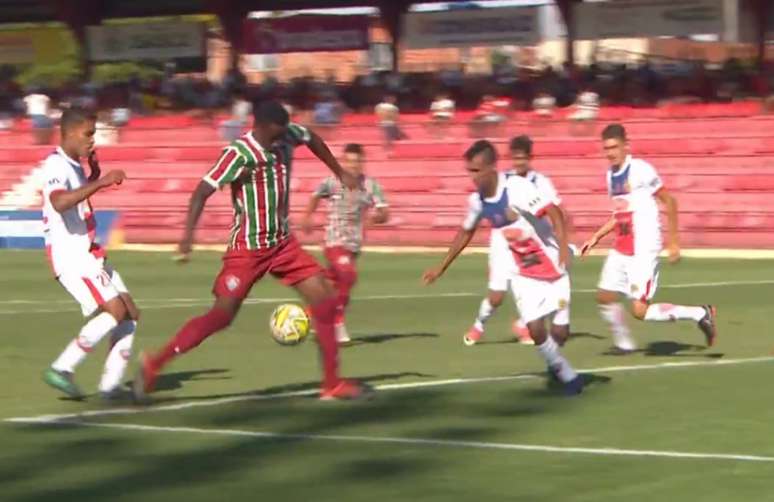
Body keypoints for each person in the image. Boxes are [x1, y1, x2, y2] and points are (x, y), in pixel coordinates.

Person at [133, 101, 372, 401]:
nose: (280, 140)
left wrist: (338, 171)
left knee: (324, 300)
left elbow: (310, 137)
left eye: (284, 134)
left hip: (282, 244)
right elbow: (201, 191)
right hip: (248, 249)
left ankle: (332, 384)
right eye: (275, 135)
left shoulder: (287, 135)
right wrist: (187, 237)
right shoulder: (239, 153)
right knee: (222, 315)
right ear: (259, 126)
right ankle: (154, 364)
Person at [423, 140, 582, 395]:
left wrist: (563, 247)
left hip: (553, 263)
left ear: (491, 167)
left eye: (476, 171)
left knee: (560, 333)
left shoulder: (518, 189)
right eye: (469, 171)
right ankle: (568, 377)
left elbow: (553, 212)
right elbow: (466, 232)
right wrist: (441, 267)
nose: (472, 177)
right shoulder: (477, 201)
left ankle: (556, 361)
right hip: (523, 271)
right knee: (535, 329)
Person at [581, 124, 717, 353]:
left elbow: (670, 201)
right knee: (604, 295)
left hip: (644, 246)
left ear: (626, 145)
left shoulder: (641, 170)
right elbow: (621, 214)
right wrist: (596, 236)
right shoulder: (610, 176)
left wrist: (674, 241)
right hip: (623, 245)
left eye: (614, 147)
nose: (610, 153)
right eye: (606, 148)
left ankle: (701, 313)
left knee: (640, 311)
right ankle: (624, 343)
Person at [40, 107, 137, 400]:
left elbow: (77, 197)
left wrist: (92, 175)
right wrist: (102, 181)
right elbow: (59, 203)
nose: (93, 140)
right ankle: (62, 367)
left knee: (130, 313)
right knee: (116, 311)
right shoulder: (56, 165)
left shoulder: (74, 165)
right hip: (71, 254)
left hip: (88, 251)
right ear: (69, 132)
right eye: (88, 134)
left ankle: (110, 386)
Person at [466, 135, 567, 346]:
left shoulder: (540, 182)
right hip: (504, 245)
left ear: (530, 158)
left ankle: (525, 325)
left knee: (541, 284)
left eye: (522, 158)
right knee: (496, 295)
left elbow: (555, 209)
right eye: (515, 158)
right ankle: (479, 325)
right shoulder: (504, 181)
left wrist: (561, 240)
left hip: (533, 244)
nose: (518, 163)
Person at [301, 143, 389, 343]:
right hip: (334, 239)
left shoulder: (371, 186)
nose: (353, 165)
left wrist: (377, 217)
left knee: (335, 284)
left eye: (357, 161)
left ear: (362, 163)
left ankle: (312, 313)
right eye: (349, 161)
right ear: (343, 162)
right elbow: (316, 196)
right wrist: (306, 216)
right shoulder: (332, 181)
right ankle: (336, 323)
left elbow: (384, 211)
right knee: (348, 276)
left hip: (354, 243)